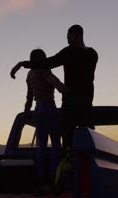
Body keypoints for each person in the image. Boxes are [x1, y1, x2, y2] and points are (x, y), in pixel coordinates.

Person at [11, 24, 98, 150]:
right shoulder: (92, 54)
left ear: (75, 36)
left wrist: (22, 64)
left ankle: (67, 165)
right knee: (87, 140)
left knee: (67, 140)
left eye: (68, 36)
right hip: (86, 102)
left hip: (70, 102)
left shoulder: (68, 52)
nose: (67, 40)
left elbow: (47, 63)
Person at [23, 49, 66, 185]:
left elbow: (29, 96)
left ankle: (40, 178)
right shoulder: (44, 70)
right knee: (55, 143)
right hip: (48, 106)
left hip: (38, 109)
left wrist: (26, 112)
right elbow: (54, 81)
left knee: (41, 146)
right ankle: (55, 177)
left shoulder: (29, 75)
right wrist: (65, 90)